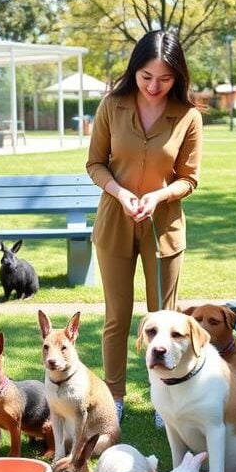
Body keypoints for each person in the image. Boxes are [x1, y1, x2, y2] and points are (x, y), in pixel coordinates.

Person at [85, 30, 203, 423]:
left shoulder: (189, 115)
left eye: (165, 79)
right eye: (146, 77)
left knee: (165, 317)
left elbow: (190, 177)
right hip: (114, 221)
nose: (154, 87)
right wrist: (120, 192)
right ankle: (113, 397)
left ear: (178, 77)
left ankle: (165, 397)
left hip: (163, 226)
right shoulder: (111, 106)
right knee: (117, 317)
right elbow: (95, 163)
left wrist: (158, 196)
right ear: (134, 71)